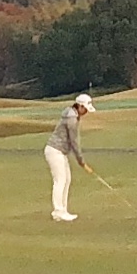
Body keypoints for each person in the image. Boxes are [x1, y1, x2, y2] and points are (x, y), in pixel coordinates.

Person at [44, 93, 96, 222]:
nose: (86, 113)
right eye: (85, 109)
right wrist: (81, 162)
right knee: (60, 180)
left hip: (59, 151)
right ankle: (58, 212)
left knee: (66, 179)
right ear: (79, 106)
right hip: (55, 150)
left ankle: (63, 210)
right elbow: (74, 142)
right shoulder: (72, 119)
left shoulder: (73, 115)